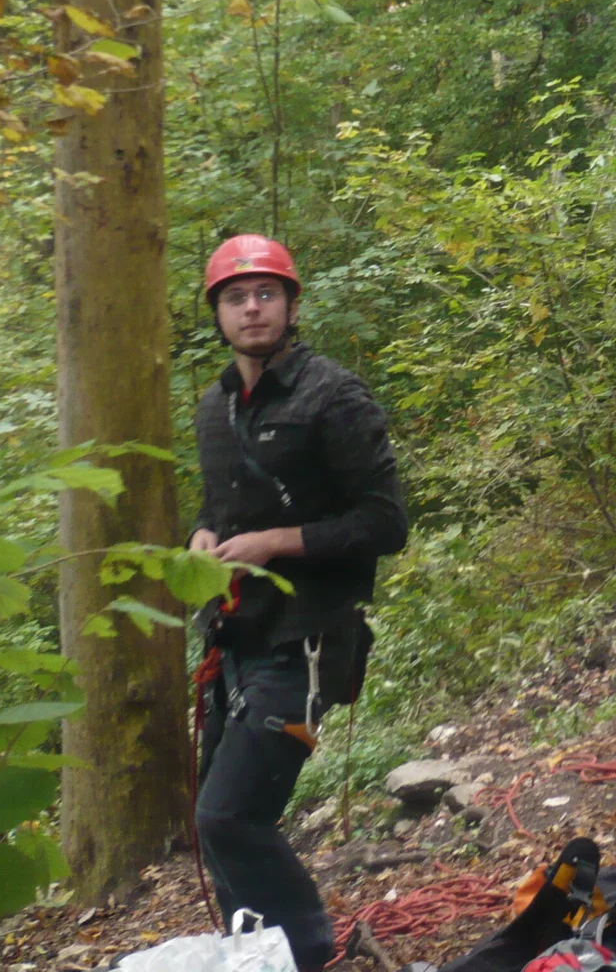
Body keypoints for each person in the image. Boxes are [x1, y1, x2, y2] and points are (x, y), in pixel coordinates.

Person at [187, 234, 408, 970]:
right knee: (212, 822)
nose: (252, 308)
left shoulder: (333, 397)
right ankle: (258, 953)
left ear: (289, 304)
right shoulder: (214, 408)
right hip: (234, 639)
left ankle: (307, 951)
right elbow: (222, 506)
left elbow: (385, 522)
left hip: (308, 639)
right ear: (216, 312)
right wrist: (202, 536)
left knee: (231, 814)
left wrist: (276, 542)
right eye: (235, 297)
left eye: (266, 294)